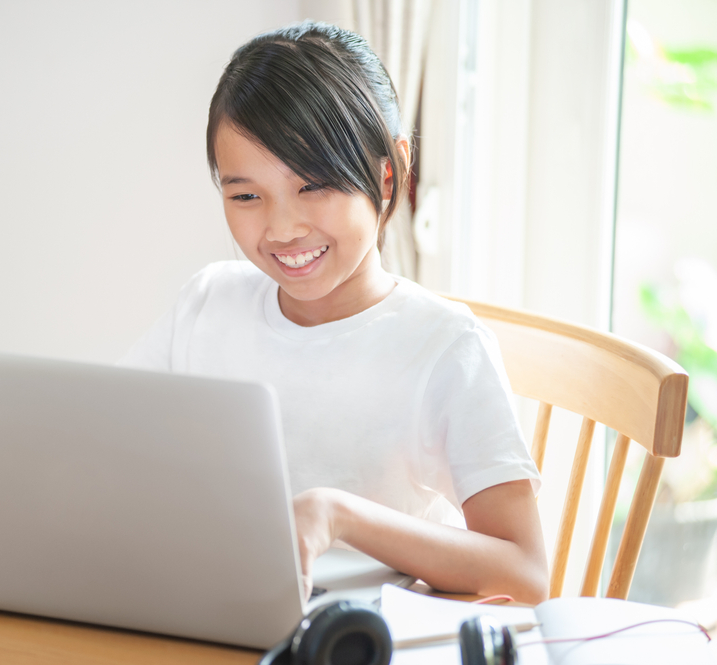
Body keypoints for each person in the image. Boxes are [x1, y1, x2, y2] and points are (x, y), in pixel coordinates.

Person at [121, 22, 549, 604]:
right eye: (245, 196)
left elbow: (525, 574)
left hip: (354, 632)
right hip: (206, 608)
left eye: (315, 186)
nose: (281, 229)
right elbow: (104, 446)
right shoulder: (207, 302)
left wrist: (341, 516)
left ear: (388, 174)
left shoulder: (446, 347)